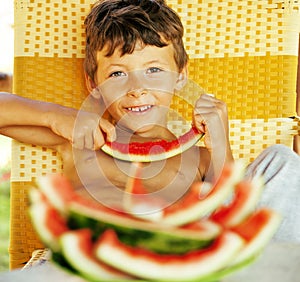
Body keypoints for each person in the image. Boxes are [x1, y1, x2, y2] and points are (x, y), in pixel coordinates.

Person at [0, 0, 299, 242]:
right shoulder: (82, 138)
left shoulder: (201, 159)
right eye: (117, 74)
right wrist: (55, 116)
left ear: (180, 77)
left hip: (189, 262)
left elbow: (229, 213)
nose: (137, 89)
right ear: (93, 84)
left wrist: (220, 143)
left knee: (281, 159)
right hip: (95, 263)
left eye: (154, 70)